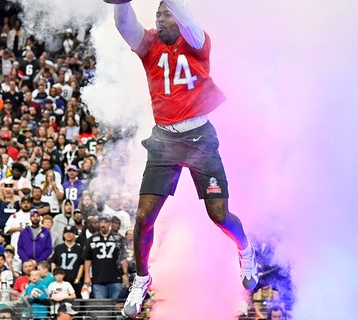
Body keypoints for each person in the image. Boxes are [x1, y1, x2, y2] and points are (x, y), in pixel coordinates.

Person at [110, 0, 258, 316]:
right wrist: (121, 2)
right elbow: (124, 24)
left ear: (177, 18)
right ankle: (141, 278)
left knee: (219, 215)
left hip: (200, 138)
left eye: (166, 14)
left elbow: (187, 17)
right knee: (142, 217)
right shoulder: (148, 43)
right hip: (164, 139)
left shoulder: (196, 41)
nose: (160, 19)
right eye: (157, 15)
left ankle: (245, 248)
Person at [83, 216, 128, 299]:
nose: (103, 224)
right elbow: (87, 259)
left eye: (105, 222)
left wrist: (125, 274)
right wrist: (87, 275)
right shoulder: (91, 239)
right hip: (98, 278)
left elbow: (123, 258)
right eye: (101, 222)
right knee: (101, 308)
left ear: (110, 223)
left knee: (116, 306)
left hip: (116, 278)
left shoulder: (118, 238)